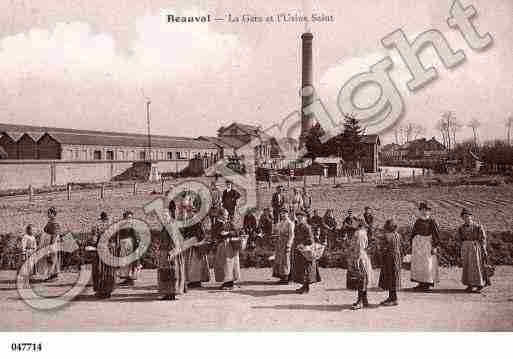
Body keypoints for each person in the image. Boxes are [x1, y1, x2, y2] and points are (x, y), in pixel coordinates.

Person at [457, 208, 491, 293]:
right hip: (465, 248)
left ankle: (479, 284)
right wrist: (462, 247)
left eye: (467, 216)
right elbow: (459, 239)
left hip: (475, 248)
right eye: (464, 216)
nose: (466, 218)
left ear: (471, 216)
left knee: (476, 266)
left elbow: (483, 239)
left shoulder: (477, 226)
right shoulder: (461, 228)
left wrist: (484, 249)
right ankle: (469, 285)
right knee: (467, 266)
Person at [410, 202, 441, 291]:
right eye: (422, 210)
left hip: (428, 244)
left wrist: (434, 246)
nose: (424, 212)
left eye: (426, 210)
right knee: (419, 264)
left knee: (428, 264)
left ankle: (427, 284)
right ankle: (420, 283)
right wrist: (412, 243)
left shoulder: (432, 222)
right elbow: (413, 233)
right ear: (420, 211)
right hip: (418, 245)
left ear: (429, 212)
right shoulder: (418, 221)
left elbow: (436, 235)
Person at [290, 210, 321, 294]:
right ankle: (303, 286)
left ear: (305, 218)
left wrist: (302, 244)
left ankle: (306, 288)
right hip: (299, 250)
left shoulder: (307, 227)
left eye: (301, 217)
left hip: (306, 251)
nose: (300, 219)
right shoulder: (297, 226)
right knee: (300, 269)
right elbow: (295, 237)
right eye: (298, 217)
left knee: (306, 269)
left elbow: (311, 240)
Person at [180, 205, 211, 289]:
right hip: (191, 245)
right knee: (192, 265)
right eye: (188, 212)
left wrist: (195, 241)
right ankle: (193, 281)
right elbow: (186, 233)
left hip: (197, 246)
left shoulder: (197, 223)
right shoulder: (189, 222)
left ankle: (196, 281)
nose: (188, 214)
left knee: (196, 264)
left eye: (190, 213)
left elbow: (201, 234)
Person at [346, 220, 374, 310]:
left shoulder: (358, 233)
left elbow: (357, 247)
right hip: (363, 256)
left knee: (360, 279)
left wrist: (355, 258)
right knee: (364, 278)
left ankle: (360, 301)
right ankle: (364, 299)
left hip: (358, 257)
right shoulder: (363, 232)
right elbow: (365, 245)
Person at [158, 215, 186, 300]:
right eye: (163, 216)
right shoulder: (167, 226)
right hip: (166, 251)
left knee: (171, 273)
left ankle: (171, 293)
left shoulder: (171, 226)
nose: (163, 218)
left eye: (166, 216)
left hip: (170, 252)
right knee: (167, 272)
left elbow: (174, 240)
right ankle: (168, 293)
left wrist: (171, 252)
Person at [90, 211, 117, 299]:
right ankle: (108, 291)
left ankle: (101, 291)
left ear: (100, 217)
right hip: (111, 250)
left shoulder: (97, 225)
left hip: (101, 250)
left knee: (100, 270)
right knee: (110, 271)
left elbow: (94, 240)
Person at [213, 209, 241, 290]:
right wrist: (227, 233)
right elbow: (216, 234)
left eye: (227, 214)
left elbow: (236, 232)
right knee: (225, 264)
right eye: (225, 214)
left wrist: (229, 233)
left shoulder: (228, 223)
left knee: (231, 264)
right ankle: (227, 282)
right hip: (222, 245)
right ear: (220, 215)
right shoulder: (217, 224)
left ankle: (230, 282)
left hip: (230, 245)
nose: (227, 216)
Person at [378, 219, 402, 306]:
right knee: (394, 277)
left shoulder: (387, 236)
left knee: (390, 277)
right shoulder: (398, 235)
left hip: (389, 258)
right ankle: (392, 297)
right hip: (397, 257)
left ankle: (393, 299)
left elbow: (383, 248)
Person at [117, 211, 142, 286]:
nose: (130, 219)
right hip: (124, 244)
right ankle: (127, 278)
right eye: (128, 217)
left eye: (131, 217)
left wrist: (136, 245)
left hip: (129, 244)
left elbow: (136, 236)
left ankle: (130, 279)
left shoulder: (132, 225)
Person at [272, 209, 295, 284]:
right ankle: (282, 277)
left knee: (286, 260)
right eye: (282, 213)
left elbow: (291, 235)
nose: (283, 215)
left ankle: (287, 278)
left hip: (286, 243)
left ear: (287, 214)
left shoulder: (290, 223)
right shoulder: (281, 222)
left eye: (285, 213)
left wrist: (289, 244)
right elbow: (277, 232)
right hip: (280, 243)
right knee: (280, 260)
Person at [41, 207, 61, 281]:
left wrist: (51, 245)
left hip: (53, 243)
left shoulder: (55, 223)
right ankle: (53, 275)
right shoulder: (50, 221)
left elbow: (55, 235)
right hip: (48, 242)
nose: (48, 214)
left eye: (49, 213)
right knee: (51, 259)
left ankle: (54, 276)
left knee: (52, 259)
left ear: (53, 214)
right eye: (48, 213)